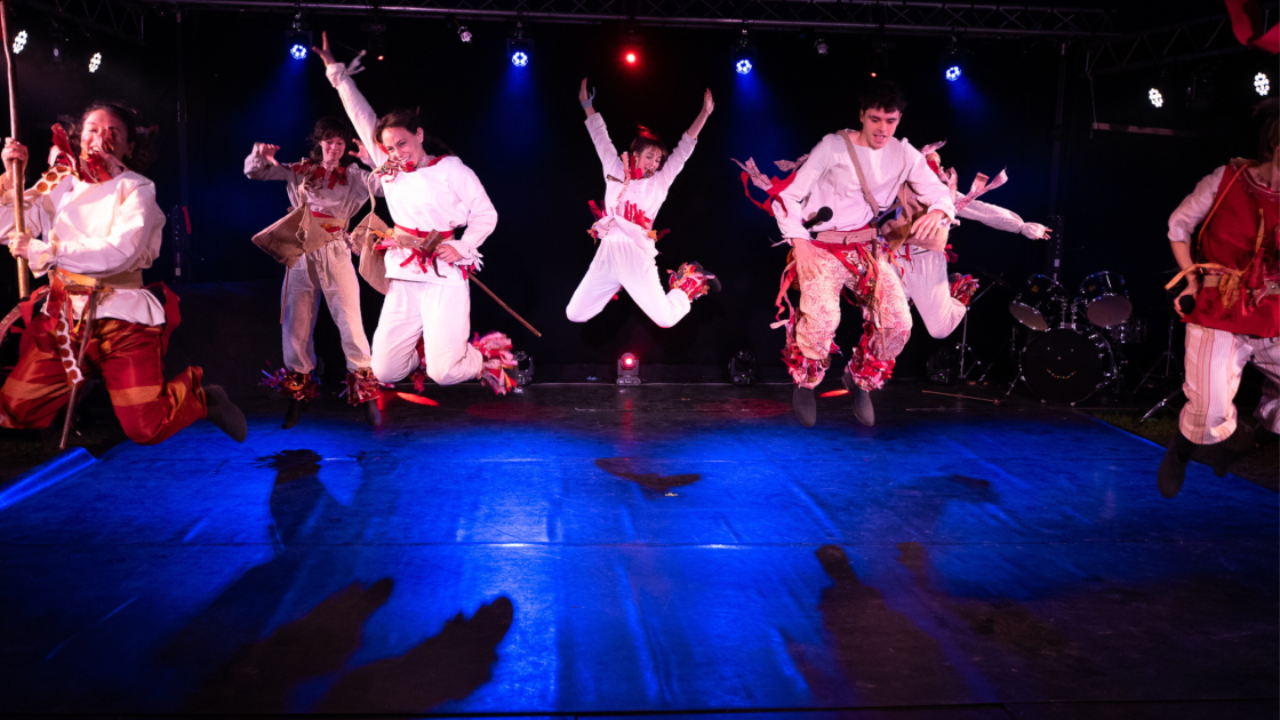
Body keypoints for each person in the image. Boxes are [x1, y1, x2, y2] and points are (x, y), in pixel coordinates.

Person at [0, 102, 246, 444]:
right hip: (65, 317)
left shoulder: (137, 188)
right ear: (78, 137)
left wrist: (47, 251)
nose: (101, 137)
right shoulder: (59, 182)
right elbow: (7, 228)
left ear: (129, 147)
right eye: (93, 130)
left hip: (123, 319)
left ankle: (202, 397)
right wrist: (13, 178)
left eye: (113, 133)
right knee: (14, 409)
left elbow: (119, 252)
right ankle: (75, 388)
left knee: (147, 429)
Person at [313, 33, 518, 399]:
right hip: (405, 274)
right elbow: (359, 113)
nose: (396, 152)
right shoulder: (389, 168)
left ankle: (481, 358)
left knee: (444, 373)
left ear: (419, 134)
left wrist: (463, 246)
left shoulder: (452, 169)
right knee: (385, 368)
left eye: (402, 143)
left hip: (445, 276)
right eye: (389, 147)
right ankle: (432, 350)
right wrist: (335, 71)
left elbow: (486, 214)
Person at [773, 79, 955, 428]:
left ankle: (858, 379)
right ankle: (806, 383)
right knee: (824, 320)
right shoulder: (833, 146)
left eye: (890, 121)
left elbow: (939, 194)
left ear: (899, 119)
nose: (882, 128)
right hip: (822, 247)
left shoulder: (904, 153)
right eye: (875, 119)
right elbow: (789, 197)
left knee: (900, 324)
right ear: (862, 116)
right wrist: (799, 241)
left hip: (867, 250)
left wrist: (938, 211)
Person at [1159, 101, 1279, 498]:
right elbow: (1179, 227)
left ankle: (1251, 442)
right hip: (1220, 309)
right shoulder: (1226, 180)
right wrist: (1192, 279)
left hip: (1275, 313)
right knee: (1208, 408)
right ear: (1276, 144)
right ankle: (1182, 451)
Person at [245, 116, 382, 428]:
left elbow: (384, 185)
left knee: (350, 320)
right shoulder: (301, 170)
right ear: (319, 142)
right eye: (328, 142)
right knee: (296, 322)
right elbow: (255, 172)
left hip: (335, 249)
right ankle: (298, 396)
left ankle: (368, 397)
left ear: (346, 147)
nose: (333, 148)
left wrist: (370, 158)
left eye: (339, 143)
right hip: (301, 250)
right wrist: (261, 155)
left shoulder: (354, 175)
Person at [565, 78, 720, 328]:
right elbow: (600, 138)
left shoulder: (659, 183)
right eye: (650, 156)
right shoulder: (614, 169)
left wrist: (704, 114)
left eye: (658, 160)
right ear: (635, 155)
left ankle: (690, 282)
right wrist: (587, 106)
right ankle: (613, 285)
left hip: (636, 254)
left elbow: (684, 149)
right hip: (608, 253)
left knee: (666, 320)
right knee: (574, 313)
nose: (654, 163)